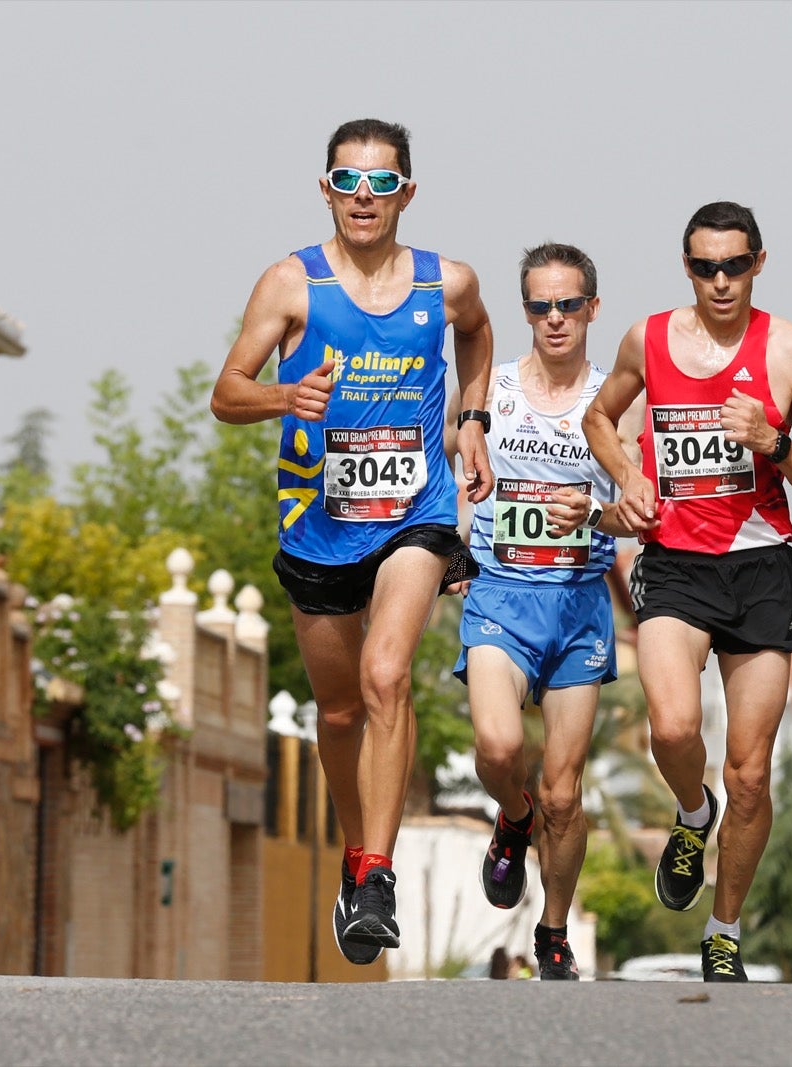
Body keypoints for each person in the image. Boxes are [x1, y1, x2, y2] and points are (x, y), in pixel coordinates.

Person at [210, 118, 493, 964]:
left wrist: (471, 418)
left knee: (385, 674)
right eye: (347, 182)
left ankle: (376, 874)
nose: (362, 199)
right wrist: (282, 397)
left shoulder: (449, 284)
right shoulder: (290, 284)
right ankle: (353, 849)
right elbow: (228, 391)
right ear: (326, 187)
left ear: (406, 192)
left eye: (380, 184)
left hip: (417, 511)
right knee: (337, 709)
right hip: (319, 519)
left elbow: (477, 334)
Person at [582, 201, 792, 982]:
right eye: (705, 266)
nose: (720, 281)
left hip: (761, 567)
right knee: (670, 725)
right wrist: (628, 476)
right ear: (687, 267)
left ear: (759, 262)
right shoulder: (649, 338)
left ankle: (724, 930)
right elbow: (600, 416)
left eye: (735, 265)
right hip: (674, 563)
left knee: (752, 775)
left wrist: (776, 443)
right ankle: (693, 814)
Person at [450, 242, 635, 981]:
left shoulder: (613, 402)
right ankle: (511, 818)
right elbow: (455, 476)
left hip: (578, 606)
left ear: (592, 307)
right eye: (538, 306)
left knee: (566, 789)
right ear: (524, 310)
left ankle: (553, 930)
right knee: (499, 750)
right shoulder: (489, 390)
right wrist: (456, 550)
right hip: (500, 595)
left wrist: (594, 509)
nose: (553, 319)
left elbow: (640, 510)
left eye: (567, 304)